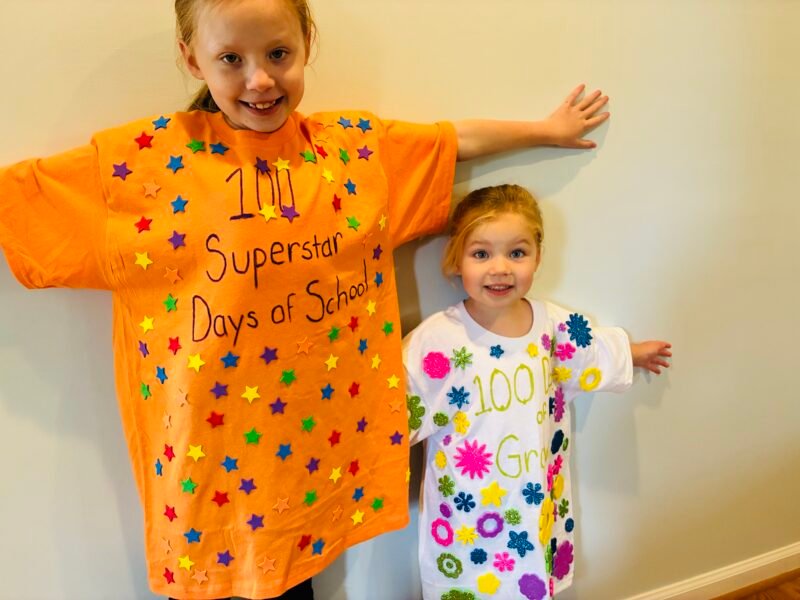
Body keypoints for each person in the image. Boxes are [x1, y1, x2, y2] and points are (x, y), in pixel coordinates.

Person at [0, 0, 612, 598]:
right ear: (191, 59)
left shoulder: (348, 154)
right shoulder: (141, 167)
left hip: (310, 465)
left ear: (307, 46)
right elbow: (19, 203)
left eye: (278, 53)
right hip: (212, 473)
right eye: (231, 58)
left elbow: (447, 141)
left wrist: (546, 131)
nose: (260, 79)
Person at [403, 184, 672, 600]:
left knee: (531, 582)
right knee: (469, 588)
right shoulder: (437, 341)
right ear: (457, 258)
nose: (500, 269)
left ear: (538, 256)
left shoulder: (552, 326)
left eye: (516, 252)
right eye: (481, 253)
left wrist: (632, 354)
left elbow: (590, 351)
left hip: (536, 502)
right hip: (467, 514)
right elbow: (396, 407)